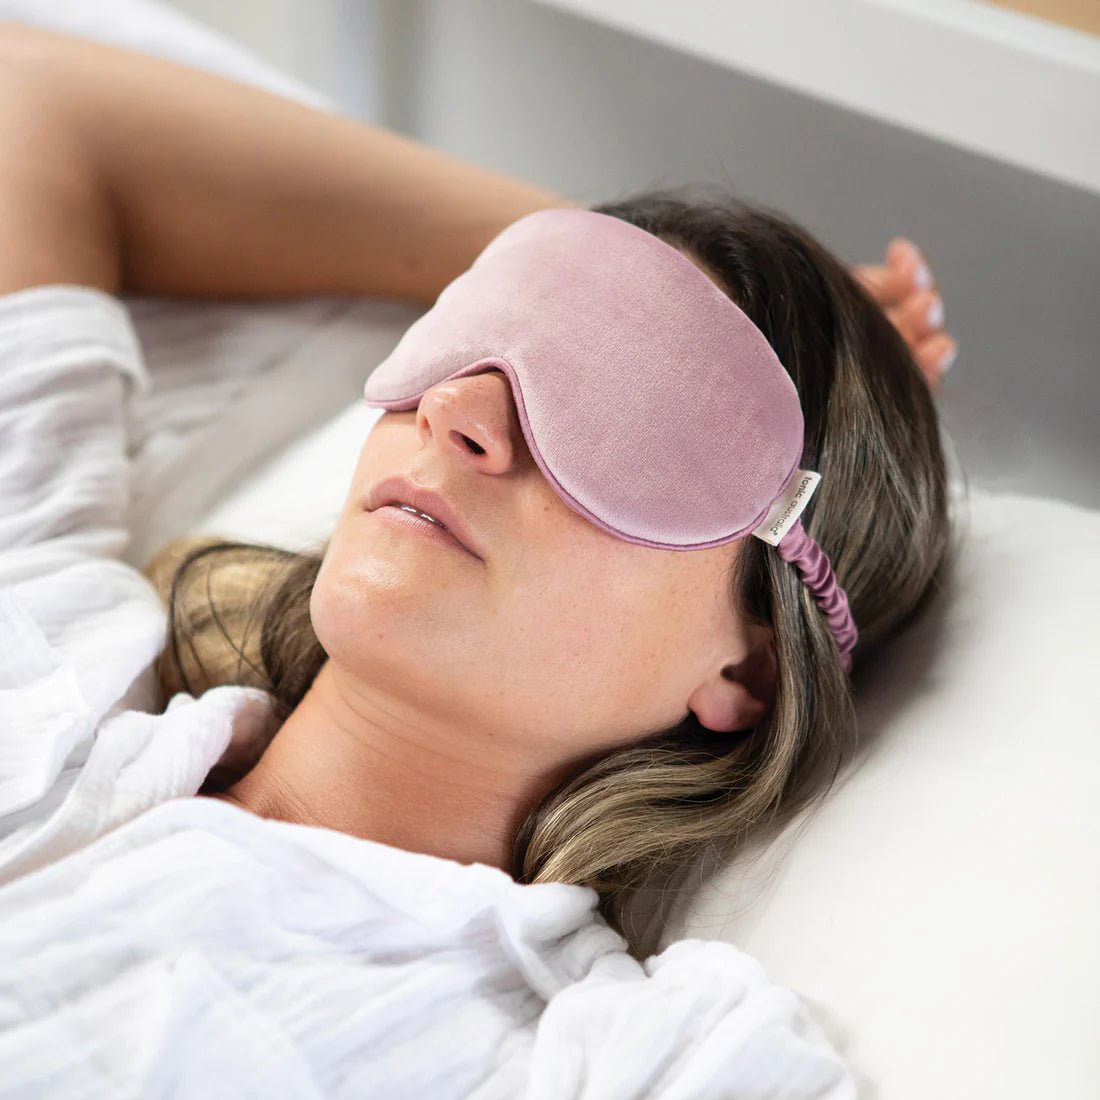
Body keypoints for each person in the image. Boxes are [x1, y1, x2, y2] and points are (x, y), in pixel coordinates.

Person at [0, 22, 954, 1098]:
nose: (455, 410)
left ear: (751, 666)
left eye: (627, 405)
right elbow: (27, 96)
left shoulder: (609, 1061)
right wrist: (585, 253)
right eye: (483, 324)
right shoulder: (47, 661)